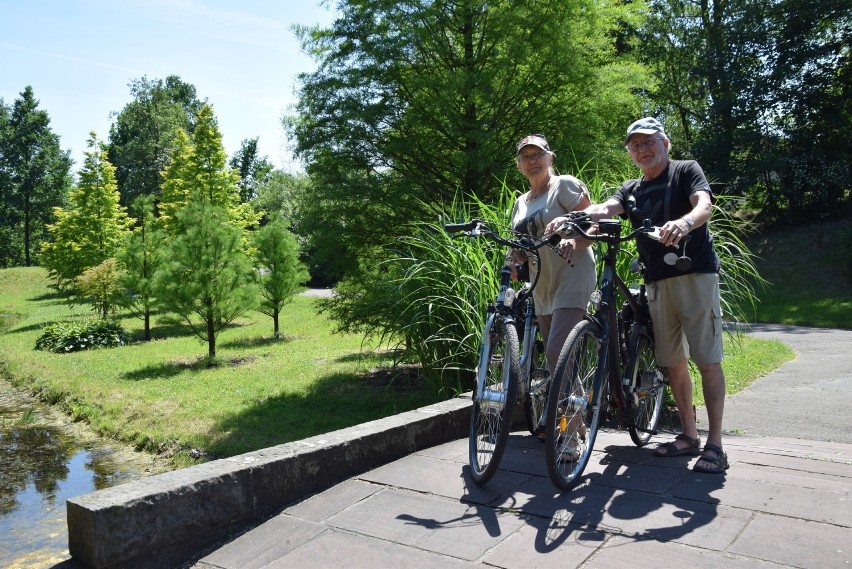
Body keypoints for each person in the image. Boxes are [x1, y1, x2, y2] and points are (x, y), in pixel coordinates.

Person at [547, 117, 729, 474]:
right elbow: (605, 209)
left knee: (707, 359)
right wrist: (575, 217)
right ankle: (689, 436)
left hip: (694, 273)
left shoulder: (684, 171)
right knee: (672, 361)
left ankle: (716, 445)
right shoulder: (630, 189)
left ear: (665, 143)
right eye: (635, 145)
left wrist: (685, 222)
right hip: (655, 282)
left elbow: (703, 204)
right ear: (630, 152)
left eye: (649, 142)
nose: (642, 149)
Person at [509, 134, 597, 387]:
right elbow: (520, 245)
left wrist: (575, 241)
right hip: (542, 285)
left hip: (572, 274)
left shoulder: (564, 185)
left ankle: (566, 416)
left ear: (550, 157)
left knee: (558, 349)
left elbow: (592, 225)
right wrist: (514, 259)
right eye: (526, 156)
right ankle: (575, 417)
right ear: (519, 164)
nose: (532, 160)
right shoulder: (520, 203)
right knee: (555, 356)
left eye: (538, 154)